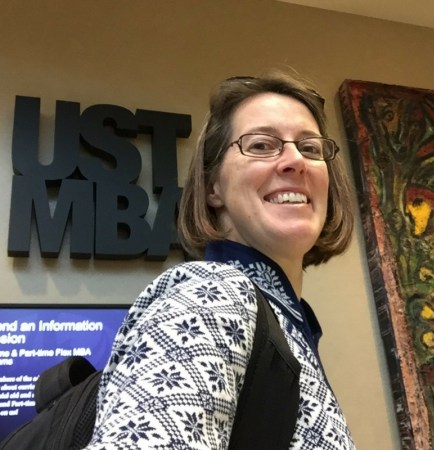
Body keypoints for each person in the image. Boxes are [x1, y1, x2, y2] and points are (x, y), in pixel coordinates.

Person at [85, 71, 356, 449]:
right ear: (213, 186)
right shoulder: (215, 295)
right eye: (261, 145)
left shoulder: (286, 322)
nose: (296, 160)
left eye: (310, 148)